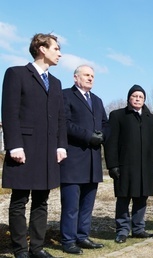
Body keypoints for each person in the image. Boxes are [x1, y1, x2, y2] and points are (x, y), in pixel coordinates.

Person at [1, 33, 67, 258]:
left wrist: (61, 145)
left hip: (48, 150)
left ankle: (36, 248)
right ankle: (20, 250)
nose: (59, 53)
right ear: (42, 49)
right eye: (56, 48)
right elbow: (9, 113)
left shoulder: (56, 83)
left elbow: (60, 118)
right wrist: (14, 145)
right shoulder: (16, 73)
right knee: (19, 200)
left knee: (42, 200)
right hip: (24, 148)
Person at [59, 65, 110, 254]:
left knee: (87, 204)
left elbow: (105, 123)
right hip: (73, 160)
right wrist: (88, 136)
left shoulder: (97, 100)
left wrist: (103, 135)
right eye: (86, 75)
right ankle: (68, 240)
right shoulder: (66, 95)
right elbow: (64, 123)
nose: (90, 78)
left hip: (93, 161)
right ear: (75, 77)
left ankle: (82, 236)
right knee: (71, 205)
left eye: (92, 76)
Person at [104, 85, 153, 244]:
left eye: (141, 97)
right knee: (123, 198)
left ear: (144, 100)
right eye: (134, 96)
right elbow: (111, 142)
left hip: (146, 167)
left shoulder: (151, 118)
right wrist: (112, 165)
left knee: (141, 198)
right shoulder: (117, 115)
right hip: (124, 166)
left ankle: (138, 229)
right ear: (129, 98)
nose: (137, 99)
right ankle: (122, 230)